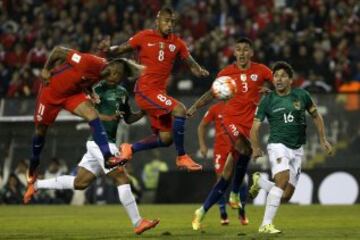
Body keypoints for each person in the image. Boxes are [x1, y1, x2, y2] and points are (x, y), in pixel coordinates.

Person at [23, 59, 159, 235]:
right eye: (112, 72)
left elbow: (127, 118)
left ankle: (36, 185)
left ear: (123, 76)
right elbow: (87, 112)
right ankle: (138, 222)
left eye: (118, 74)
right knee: (121, 176)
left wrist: (142, 112)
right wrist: (105, 117)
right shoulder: (97, 88)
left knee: (80, 183)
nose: (113, 76)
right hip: (99, 142)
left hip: (105, 143)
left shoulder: (123, 93)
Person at [103, 7, 209, 171]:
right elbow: (120, 49)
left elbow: (191, 64)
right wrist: (107, 49)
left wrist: (199, 71)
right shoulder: (144, 36)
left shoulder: (177, 43)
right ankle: (182, 156)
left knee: (166, 139)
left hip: (159, 93)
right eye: (166, 21)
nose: (170, 25)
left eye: (172, 22)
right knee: (180, 110)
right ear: (157, 22)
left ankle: (129, 149)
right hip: (145, 90)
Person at [26, 46, 137, 195]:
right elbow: (58, 51)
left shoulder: (104, 71)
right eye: (119, 78)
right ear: (115, 73)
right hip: (50, 92)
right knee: (41, 130)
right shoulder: (86, 61)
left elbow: (87, 80)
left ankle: (108, 157)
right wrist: (46, 69)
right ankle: (33, 166)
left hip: (72, 95)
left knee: (92, 115)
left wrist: (90, 92)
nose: (118, 82)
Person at [188, 37, 272, 230]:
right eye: (238, 50)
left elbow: (277, 82)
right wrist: (194, 106)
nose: (242, 53)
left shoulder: (261, 70)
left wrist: (270, 91)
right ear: (234, 53)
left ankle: (201, 211)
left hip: (249, 124)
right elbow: (211, 93)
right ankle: (235, 193)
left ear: (251, 52)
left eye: (245, 50)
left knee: (226, 175)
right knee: (243, 148)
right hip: (231, 119)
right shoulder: (226, 73)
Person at [249, 61, 333, 234]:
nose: (278, 79)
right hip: (278, 144)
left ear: (290, 80)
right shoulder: (268, 100)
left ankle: (260, 182)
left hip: (297, 149)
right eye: (276, 76)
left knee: (285, 195)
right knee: (282, 179)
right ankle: (265, 224)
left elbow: (316, 116)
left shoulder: (302, 95)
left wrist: (323, 139)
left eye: (282, 76)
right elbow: (255, 127)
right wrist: (255, 147)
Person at [198, 101, 249, 225]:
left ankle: (241, 212)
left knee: (241, 181)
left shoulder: (239, 106)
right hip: (220, 151)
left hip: (236, 149)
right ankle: (223, 214)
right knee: (221, 180)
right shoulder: (215, 108)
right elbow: (202, 125)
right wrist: (203, 145)